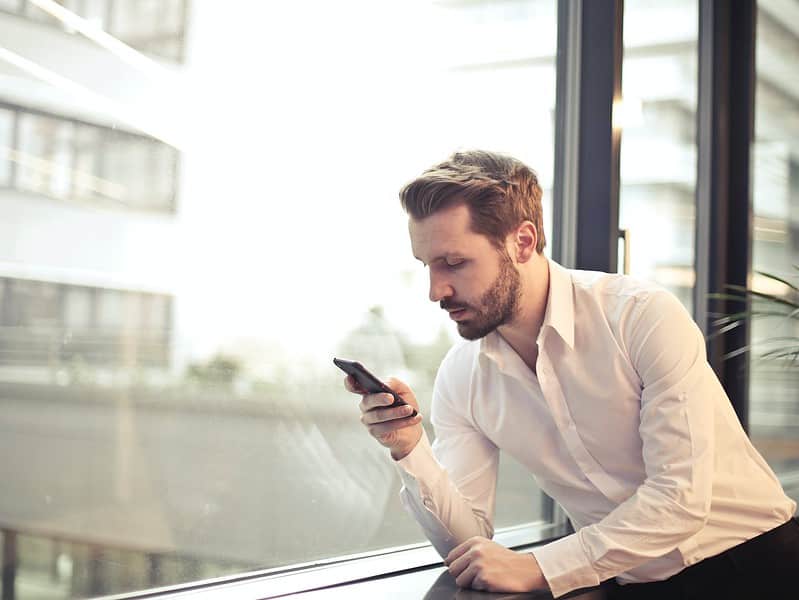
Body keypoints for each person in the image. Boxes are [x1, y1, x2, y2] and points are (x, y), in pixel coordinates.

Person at [343, 150, 799, 599]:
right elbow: (469, 544)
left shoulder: (640, 316)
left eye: (455, 263)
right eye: (427, 265)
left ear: (522, 242)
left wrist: (541, 567)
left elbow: (679, 499)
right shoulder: (462, 377)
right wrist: (409, 449)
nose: (435, 290)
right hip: (626, 584)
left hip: (757, 566)